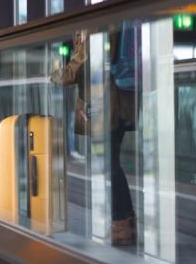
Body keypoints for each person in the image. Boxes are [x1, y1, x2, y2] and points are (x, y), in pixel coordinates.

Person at [51, 25, 139, 246]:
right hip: (118, 101)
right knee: (112, 163)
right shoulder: (112, 22)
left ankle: (121, 224)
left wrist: (55, 75)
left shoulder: (92, 25)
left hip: (106, 105)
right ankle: (127, 221)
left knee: (109, 164)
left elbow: (81, 63)